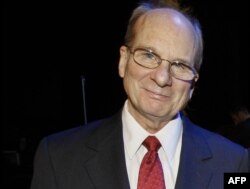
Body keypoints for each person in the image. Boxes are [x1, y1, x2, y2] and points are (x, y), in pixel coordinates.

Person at [30, 0, 249, 189]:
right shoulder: (58, 158)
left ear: (193, 84)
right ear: (123, 61)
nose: (162, 78)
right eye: (149, 55)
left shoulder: (234, 163)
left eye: (180, 65)